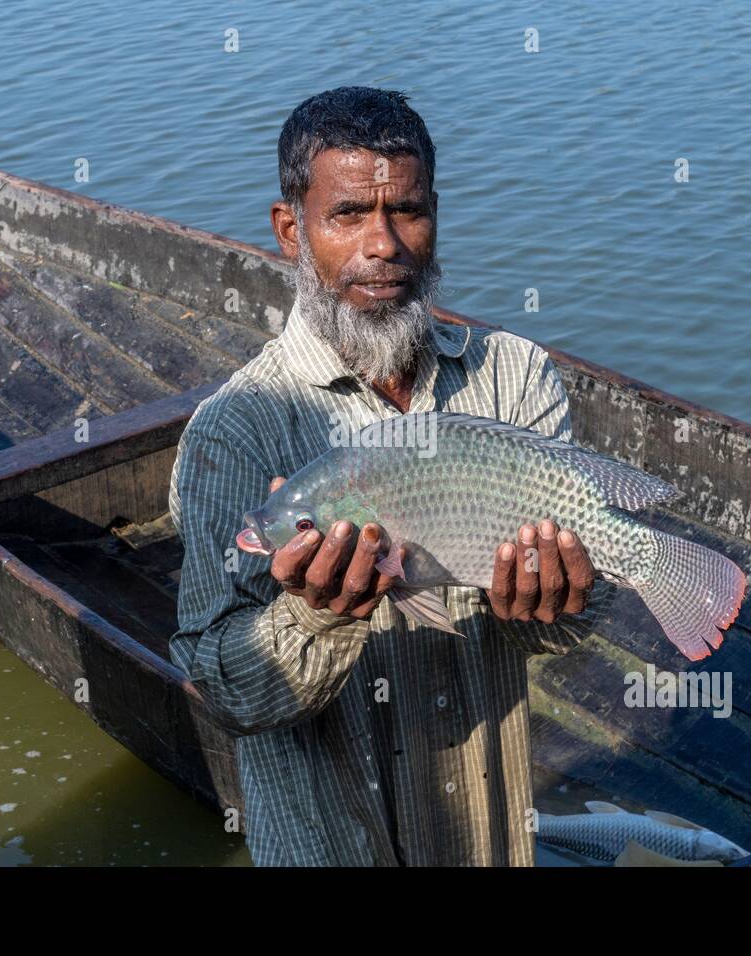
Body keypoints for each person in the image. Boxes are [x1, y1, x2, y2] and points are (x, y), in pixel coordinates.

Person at [168, 86, 596, 865]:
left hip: (486, 840)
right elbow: (224, 691)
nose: (385, 244)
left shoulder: (516, 377)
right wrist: (315, 617)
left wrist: (558, 600)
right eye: (347, 216)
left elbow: (564, 628)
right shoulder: (235, 431)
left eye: (408, 211)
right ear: (289, 229)